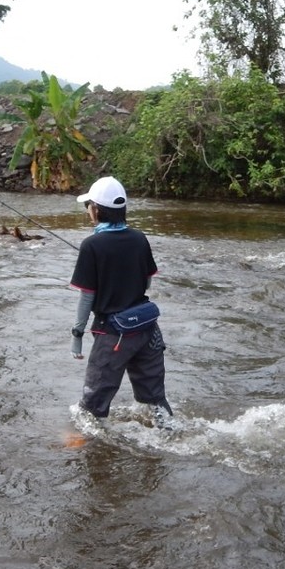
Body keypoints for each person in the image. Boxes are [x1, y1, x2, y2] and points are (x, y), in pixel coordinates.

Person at [69, 176, 174, 427]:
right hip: (148, 330)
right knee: (155, 400)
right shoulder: (139, 238)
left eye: (89, 207)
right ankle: (170, 433)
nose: (87, 212)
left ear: (95, 210)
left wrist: (77, 334)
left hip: (113, 334)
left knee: (93, 404)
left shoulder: (91, 245)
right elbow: (147, 282)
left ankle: (83, 445)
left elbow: (87, 297)